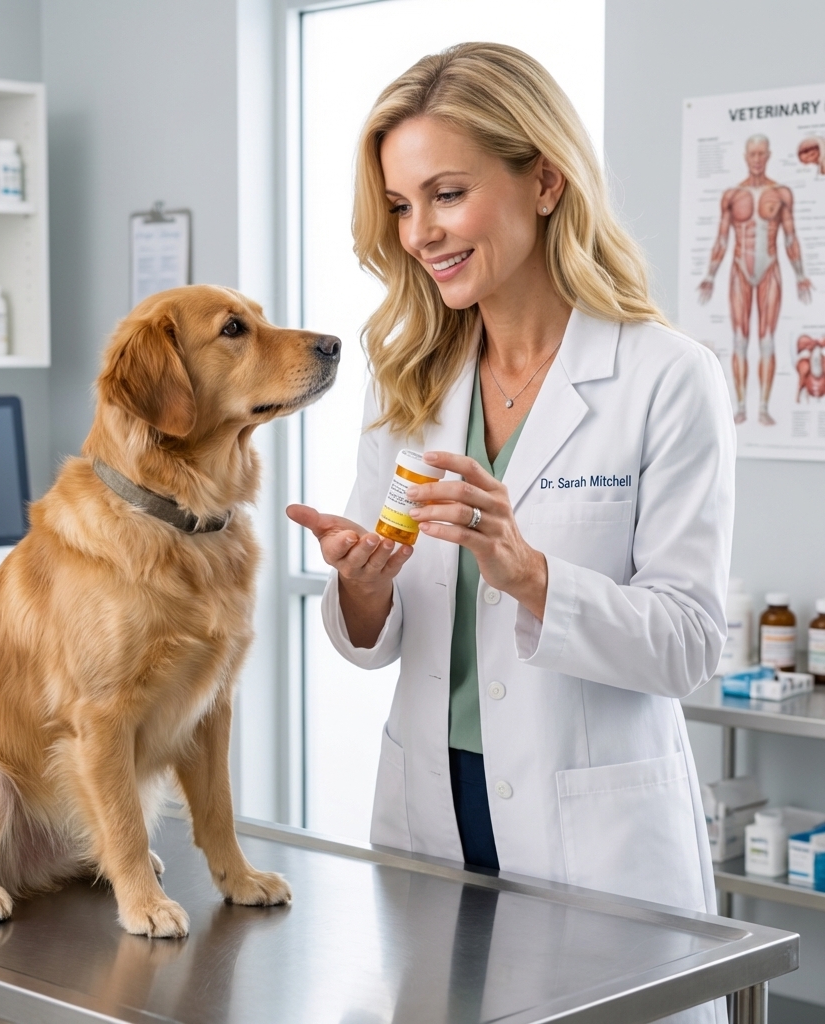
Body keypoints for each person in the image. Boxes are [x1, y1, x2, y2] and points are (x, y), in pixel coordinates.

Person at [288, 43, 733, 1024]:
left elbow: (690, 643)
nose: (420, 233)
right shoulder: (406, 383)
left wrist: (531, 574)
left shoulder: (666, 377)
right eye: (402, 206)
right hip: (430, 812)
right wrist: (361, 585)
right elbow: (376, 637)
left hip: (597, 832)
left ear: (544, 177)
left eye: (444, 193)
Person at [697, 134, 813, 425]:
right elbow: (722, 239)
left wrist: (800, 276)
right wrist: (710, 275)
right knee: (739, 339)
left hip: (770, 270)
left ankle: (762, 407)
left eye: (762, 153)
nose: (758, 159)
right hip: (739, 269)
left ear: (769, 155)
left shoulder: (782, 193)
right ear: (746, 157)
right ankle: (739, 406)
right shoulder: (732, 195)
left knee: (766, 340)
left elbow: (791, 237)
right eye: (753, 154)